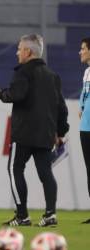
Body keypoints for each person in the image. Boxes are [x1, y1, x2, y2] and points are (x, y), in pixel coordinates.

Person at [0, 34, 69, 227]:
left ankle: (22, 215)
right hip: (45, 133)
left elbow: (17, 94)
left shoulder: (23, 72)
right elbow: (62, 108)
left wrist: (0, 94)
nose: (17, 53)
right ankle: (50, 214)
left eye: (19, 49)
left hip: (23, 132)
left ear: (28, 51)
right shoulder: (52, 76)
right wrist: (60, 132)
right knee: (45, 172)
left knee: (15, 168)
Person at [78, 37, 90, 224]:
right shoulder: (87, 72)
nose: (80, 52)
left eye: (83, 48)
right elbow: (84, 95)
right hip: (86, 127)